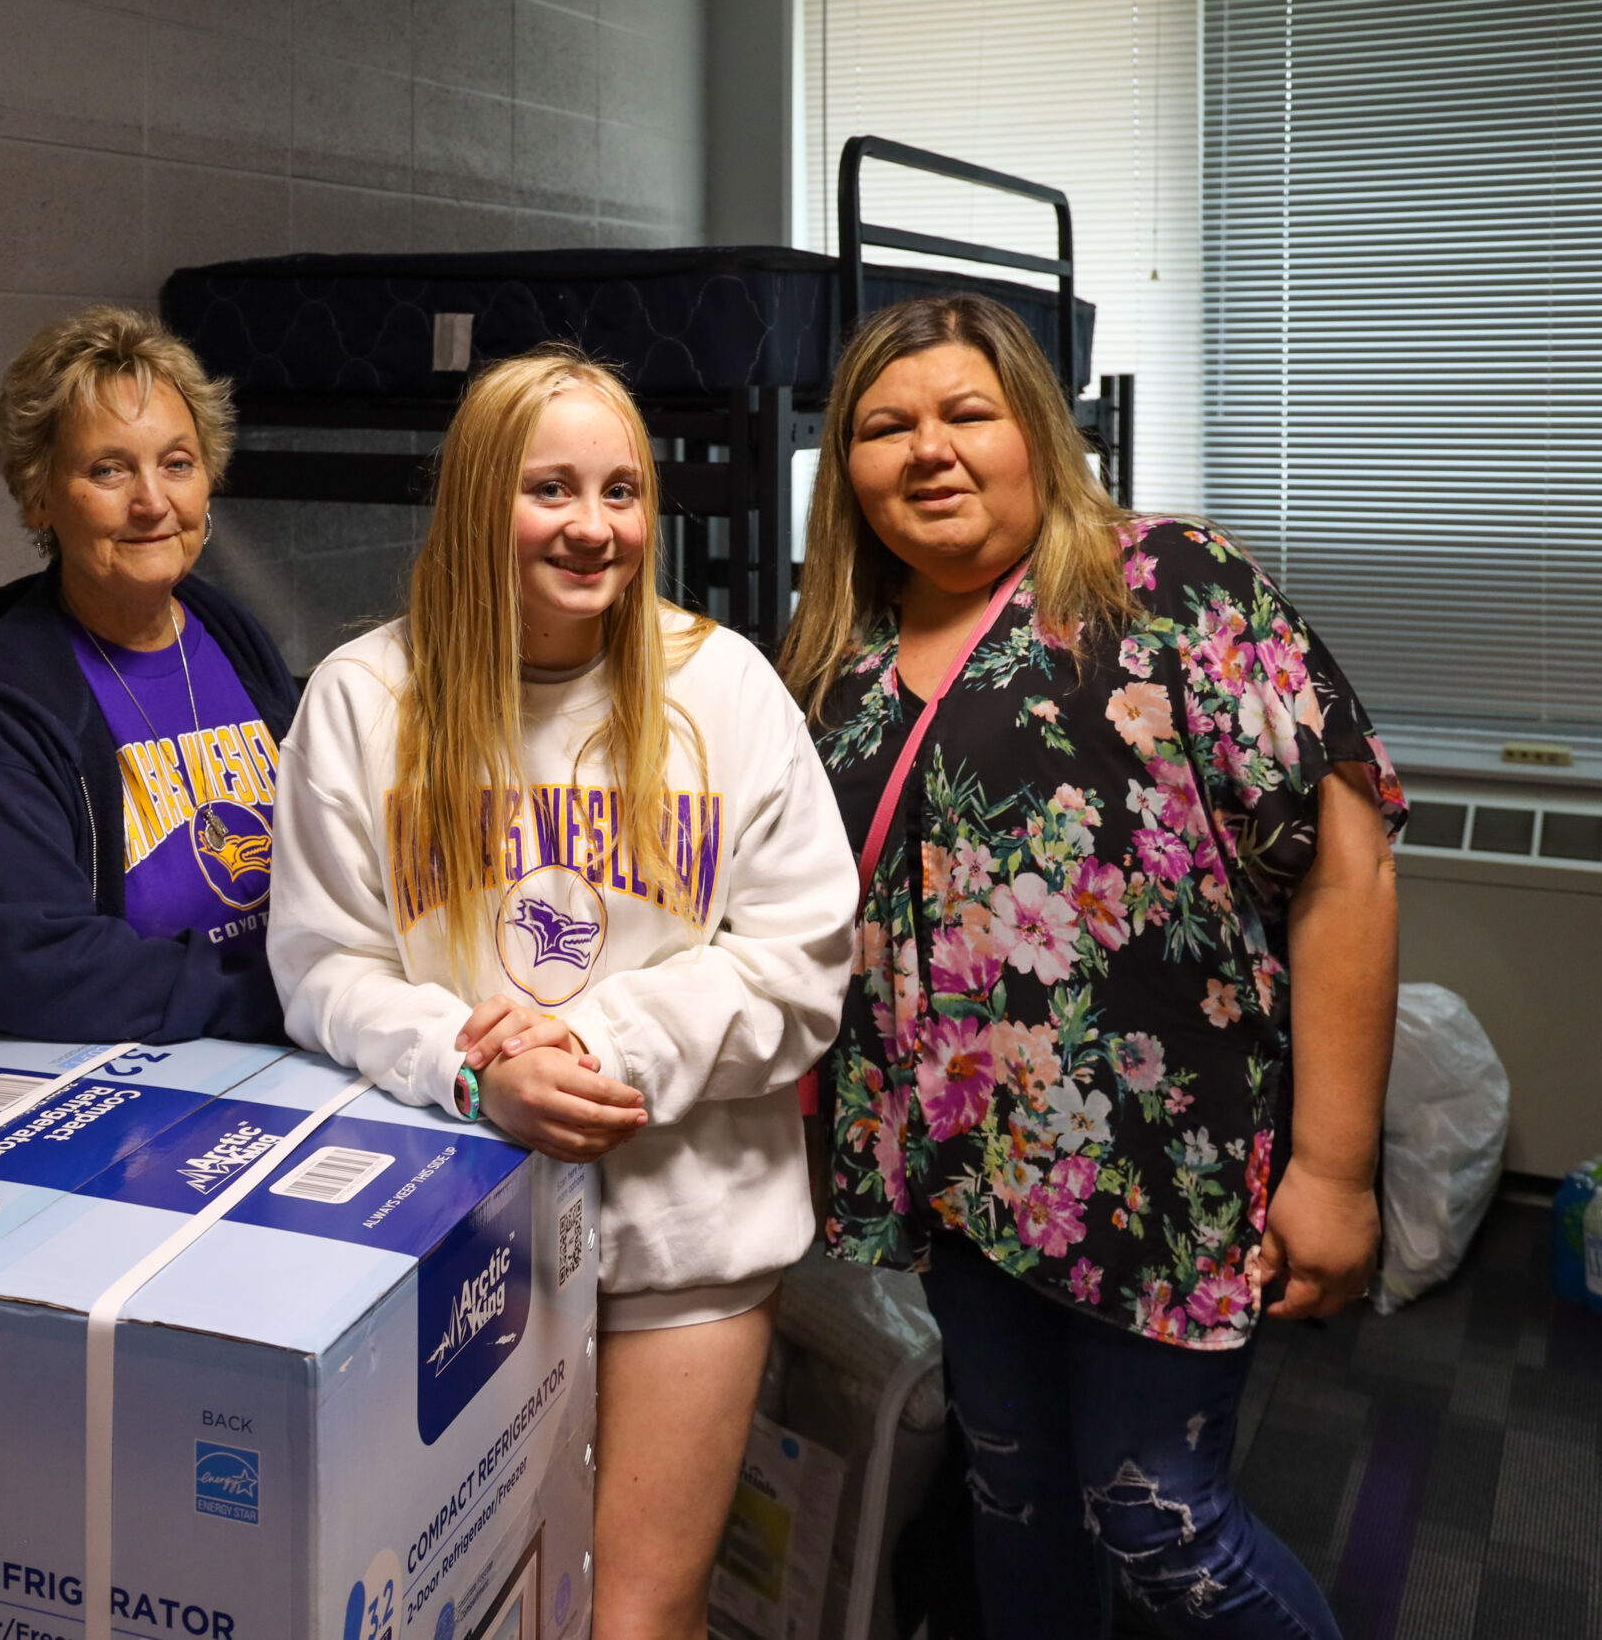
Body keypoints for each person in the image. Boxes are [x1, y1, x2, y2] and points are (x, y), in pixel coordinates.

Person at [778, 294, 1403, 1639]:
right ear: (847, 468)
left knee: (1163, 1518)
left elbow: (1346, 865)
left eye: (968, 413)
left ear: (1039, 434)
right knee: (1013, 1500)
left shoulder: (1165, 583)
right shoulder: (836, 663)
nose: (928, 449)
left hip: (1159, 1172)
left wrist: (1337, 1169)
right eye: (885, 427)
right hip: (961, 1183)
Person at [269, 347, 859, 1639]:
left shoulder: (723, 686)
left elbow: (802, 957)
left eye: (621, 490)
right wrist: (472, 1064)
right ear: (479, 500)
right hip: (459, 1241)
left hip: (685, 1235)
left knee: (633, 1618)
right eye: (550, 488)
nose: (593, 527)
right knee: (481, 1608)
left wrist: (593, 1042)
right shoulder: (363, 698)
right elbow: (321, 965)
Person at [0, 306, 298, 1043]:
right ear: (38, 496)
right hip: (155, 1066)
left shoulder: (231, 633)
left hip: (300, 1038)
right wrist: (288, 1001)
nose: (153, 502)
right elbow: (34, 966)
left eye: (177, 463)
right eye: (109, 470)